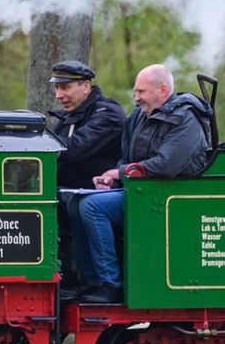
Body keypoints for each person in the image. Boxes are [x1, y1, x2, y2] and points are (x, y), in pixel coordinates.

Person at [71, 64, 210, 304]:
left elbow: (166, 165)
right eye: (136, 91)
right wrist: (113, 178)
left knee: (92, 206)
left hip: (168, 196)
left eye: (141, 92)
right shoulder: (138, 117)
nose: (136, 98)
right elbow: (127, 157)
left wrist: (120, 172)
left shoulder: (186, 120)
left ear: (163, 90)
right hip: (142, 192)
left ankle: (111, 284)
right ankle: (92, 280)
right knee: (75, 202)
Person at [47, 60, 126, 190]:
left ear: (86, 87)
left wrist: (38, 145)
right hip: (64, 191)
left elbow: (73, 148)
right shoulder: (70, 114)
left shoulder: (108, 114)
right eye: (57, 88)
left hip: (94, 193)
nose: (58, 95)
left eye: (65, 87)